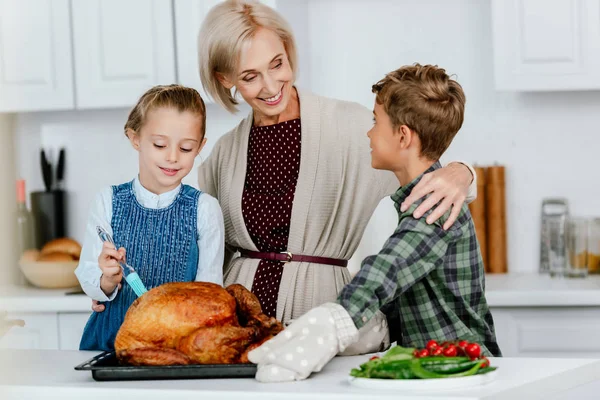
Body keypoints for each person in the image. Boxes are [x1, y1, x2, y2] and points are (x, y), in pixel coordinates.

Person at [194, 0, 477, 331]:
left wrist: (464, 173)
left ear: (288, 50)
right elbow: (210, 262)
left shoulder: (354, 127)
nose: (270, 86)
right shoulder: (222, 156)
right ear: (225, 78)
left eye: (277, 64)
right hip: (239, 331)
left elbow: (429, 171)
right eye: (250, 76)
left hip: (327, 321)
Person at [248, 64, 501, 382]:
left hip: (464, 374)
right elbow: (415, 283)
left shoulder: (434, 206)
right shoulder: (423, 195)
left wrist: (333, 324)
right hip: (436, 372)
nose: (369, 132)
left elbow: (390, 268)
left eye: (375, 121)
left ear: (403, 136)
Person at [76, 85, 224, 351]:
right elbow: (90, 279)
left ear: (201, 146)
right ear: (135, 138)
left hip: (175, 345)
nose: (172, 157)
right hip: (111, 339)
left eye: (187, 148)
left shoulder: (205, 209)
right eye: (159, 144)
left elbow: (209, 294)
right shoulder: (107, 201)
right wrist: (107, 280)